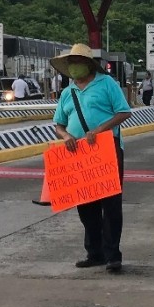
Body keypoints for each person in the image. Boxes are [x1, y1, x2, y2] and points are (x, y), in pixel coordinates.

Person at [50, 43, 131, 273]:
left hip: (107, 148)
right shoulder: (68, 92)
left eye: (76, 62)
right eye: (70, 63)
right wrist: (65, 136)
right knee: (85, 204)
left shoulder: (107, 84)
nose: (73, 67)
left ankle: (113, 255)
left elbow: (124, 111)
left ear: (87, 64)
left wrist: (101, 129)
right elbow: (59, 124)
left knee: (111, 203)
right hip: (78, 152)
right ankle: (94, 253)